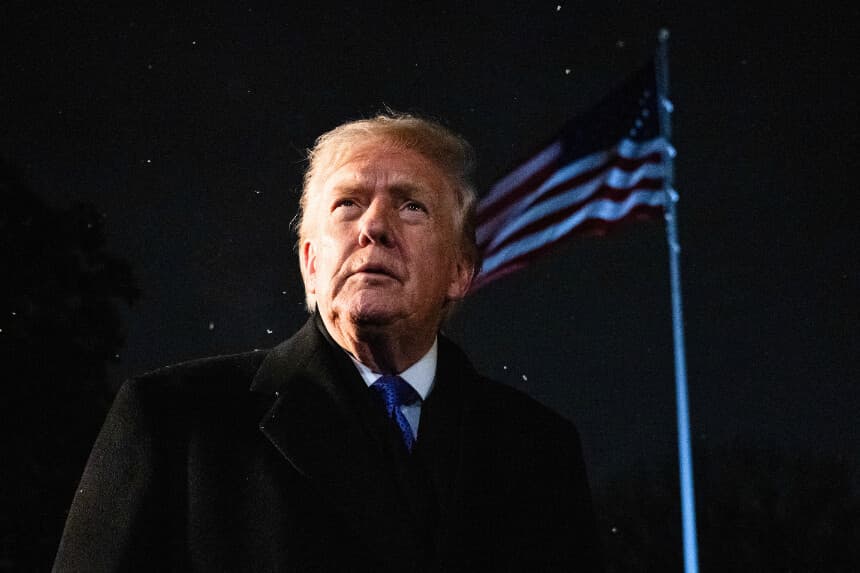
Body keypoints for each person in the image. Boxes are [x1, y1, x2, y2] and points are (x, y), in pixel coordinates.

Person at [53, 113, 603, 572]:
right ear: (312, 264)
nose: (374, 227)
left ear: (461, 270)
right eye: (347, 204)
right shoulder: (175, 421)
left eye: (411, 205)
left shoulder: (540, 447)